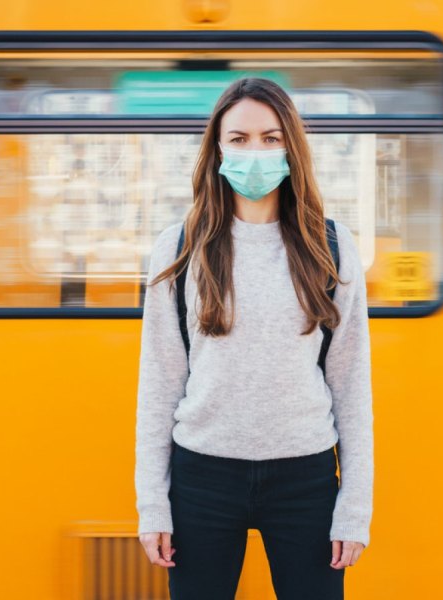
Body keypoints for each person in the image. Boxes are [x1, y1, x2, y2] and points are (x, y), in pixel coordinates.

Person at [134, 77, 374, 600]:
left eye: (271, 138)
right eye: (239, 139)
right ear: (217, 149)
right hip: (201, 478)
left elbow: (351, 383)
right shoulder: (178, 248)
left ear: (292, 146)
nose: (256, 152)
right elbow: (160, 384)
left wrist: (355, 506)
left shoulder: (331, 246)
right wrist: (152, 502)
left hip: (306, 478)